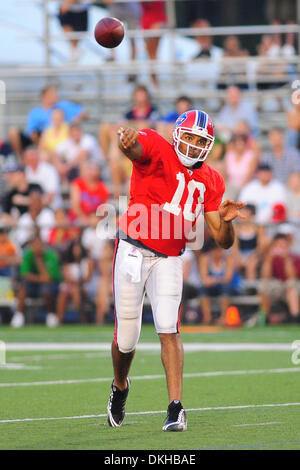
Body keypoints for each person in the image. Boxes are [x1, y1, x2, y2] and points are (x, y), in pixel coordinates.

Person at [106, 109, 246, 431]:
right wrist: (127, 143)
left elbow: (223, 242)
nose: (195, 145)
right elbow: (136, 148)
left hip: (170, 257)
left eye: (202, 141)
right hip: (132, 249)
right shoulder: (157, 146)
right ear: (177, 134)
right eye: (191, 137)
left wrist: (225, 222)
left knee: (169, 328)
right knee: (126, 339)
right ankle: (120, 385)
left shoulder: (211, 179)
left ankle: (176, 407)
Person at [8, 86, 88, 160]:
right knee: (13, 132)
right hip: (41, 136)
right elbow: (30, 131)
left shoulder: (62, 105)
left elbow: (84, 112)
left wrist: (76, 119)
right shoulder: (35, 112)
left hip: (59, 133)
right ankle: (22, 160)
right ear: (45, 96)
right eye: (53, 94)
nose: (56, 96)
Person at [11, 235, 61, 328]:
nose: (37, 247)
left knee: (47, 291)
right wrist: (40, 278)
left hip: (49, 285)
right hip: (34, 284)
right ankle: (19, 315)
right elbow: (25, 274)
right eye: (34, 245)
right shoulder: (28, 255)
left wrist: (39, 262)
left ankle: (51, 314)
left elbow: (48, 279)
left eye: (39, 245)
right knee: (23, 288)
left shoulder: (50, 256)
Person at [259, 233, 300, 323]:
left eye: (283, 245)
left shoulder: (295, 258)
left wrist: (287, 259)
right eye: (278, 245)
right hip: (278, 286)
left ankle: (295, 317)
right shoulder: (271, 258)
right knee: (264, 285)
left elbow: (292, 277)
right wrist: (269, 259)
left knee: (291, 286)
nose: (281, 248)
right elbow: (265, 276)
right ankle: (265, 317)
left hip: (293, 288)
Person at [199, 238, 239, 325]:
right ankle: (207, 317)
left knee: (225, 288)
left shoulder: (228, 259)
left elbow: (228, 278)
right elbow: (204, 277)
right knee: (203, 289)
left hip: (229, 287)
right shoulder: (205, 259)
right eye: (215, 250)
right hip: (213, 287)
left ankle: (224, 317)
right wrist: (210, 281)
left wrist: (213, 280)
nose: (217, 253)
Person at [57, 240, 94, 324]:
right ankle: (59, 319)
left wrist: (78, 283)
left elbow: (88, 277)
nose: (77, 251)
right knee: (63, 295)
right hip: (71, 286)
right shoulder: (67, 263)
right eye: (75, 249)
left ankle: (82, 317)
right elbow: (67, 277)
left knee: (75, 291)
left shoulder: (88, 262)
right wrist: (75, 283)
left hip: (86, 286)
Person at [1, 162, 43, 227]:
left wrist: (24, 200)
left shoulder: (35, 187)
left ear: (21, 174)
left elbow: (44, 201)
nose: (9, 178)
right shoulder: (10, 194)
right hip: (21, 228)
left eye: (12, 174)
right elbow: (4, 215)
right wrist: (18, 222)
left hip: (39, 220)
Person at [140, 1, 167, 86]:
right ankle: (154, 81)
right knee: (151, 54)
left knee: (152, 54)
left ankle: (154, 81)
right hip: (147, 23)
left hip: (157, 22)